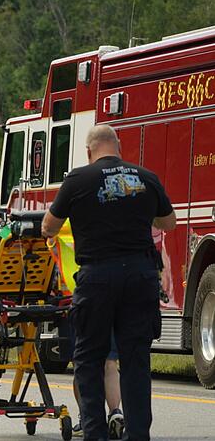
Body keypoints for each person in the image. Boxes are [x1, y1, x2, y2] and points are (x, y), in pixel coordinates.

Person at [42, 125, 176, 440]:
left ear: (89, 151)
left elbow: (49, 226)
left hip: (97, 277)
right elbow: (168, 222)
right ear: (118, 146)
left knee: (89, 357)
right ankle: (138, 434)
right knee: (135, 359)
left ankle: (95, 433)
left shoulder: (78, 180)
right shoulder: (146, 177)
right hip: (140, 276)